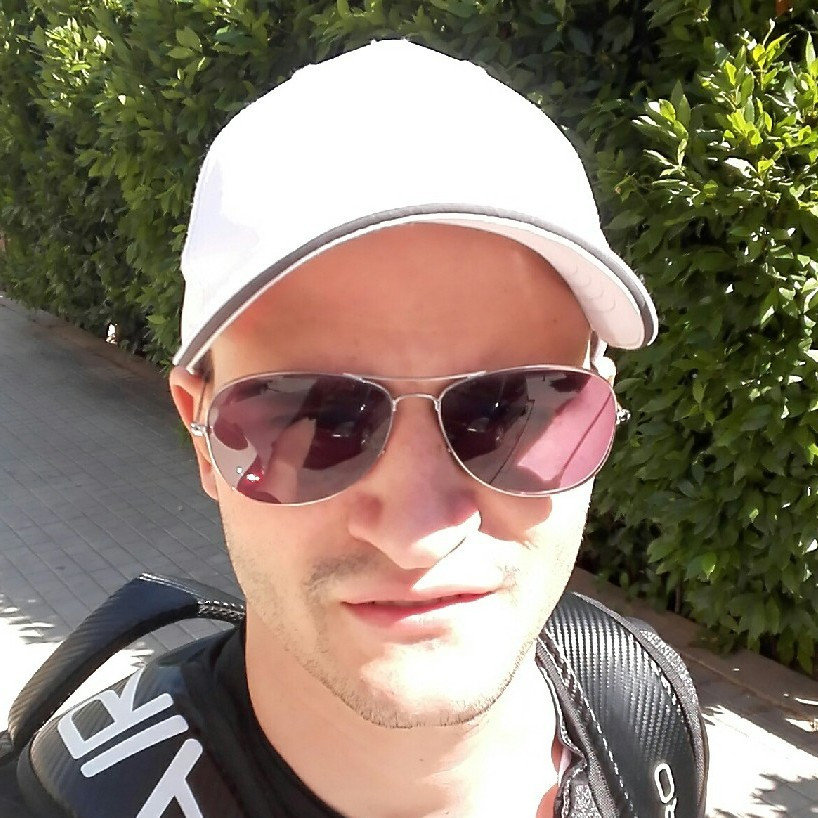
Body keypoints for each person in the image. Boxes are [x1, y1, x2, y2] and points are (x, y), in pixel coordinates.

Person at [6, 39, 707, 818]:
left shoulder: (639, 702)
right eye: (312, 415)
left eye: (514, 407)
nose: (418, 534)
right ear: (200, 433)